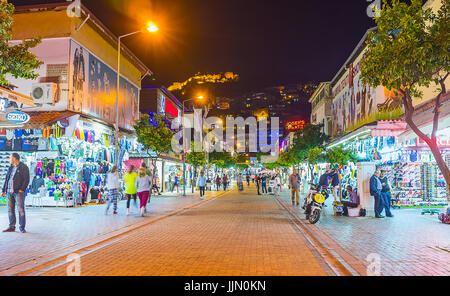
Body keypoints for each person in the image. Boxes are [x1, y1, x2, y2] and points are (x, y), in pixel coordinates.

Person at [2, 153, 30, 233]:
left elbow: (26, 179)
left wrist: (22, 189)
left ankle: (22, 227)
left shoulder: (23, 167)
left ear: (14, 158)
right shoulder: (10, 167)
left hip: (18, 192)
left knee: (20, 209)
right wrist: (4, 190)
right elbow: (7, 178)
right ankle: (11, 226)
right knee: (10, 210)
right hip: (9, 191)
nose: (9, 159)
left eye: (10, 158)